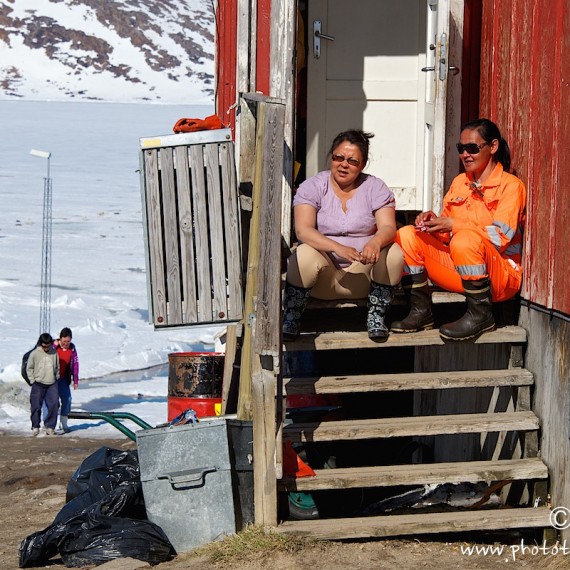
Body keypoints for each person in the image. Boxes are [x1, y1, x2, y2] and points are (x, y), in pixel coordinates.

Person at [392, 118, 526, 341]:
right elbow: (446, 236)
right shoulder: (459, 182)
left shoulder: (511, 186)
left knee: (464, 239)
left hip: (499, 278)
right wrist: (433, 224)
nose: (465, 154)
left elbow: (500, 238)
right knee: (407, 234)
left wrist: (455, 225)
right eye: (461, 148)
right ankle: (420, 312)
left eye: (472, 148)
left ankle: (481, 315)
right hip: (464, 269)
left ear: (492, 147)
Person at [283, 129, 404, 340]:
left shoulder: (375, 187)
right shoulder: (312, 186)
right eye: (338, 157)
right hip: (323, 279)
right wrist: (338, 248)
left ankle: (376, 316)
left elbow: (388, 227)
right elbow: (303, 230)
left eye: (352, 160)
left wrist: (375, 242)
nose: (343, 164)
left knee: (393, 252)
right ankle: (292, 316)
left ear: (363, 164)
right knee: (303, 254)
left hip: (364, 277)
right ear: (331, 156)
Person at [26, 332, 60, 436]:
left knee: (54, 404)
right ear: (41, 344)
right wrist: (33, 381)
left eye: (48, 346)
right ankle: (35, 426)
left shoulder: (54, 353)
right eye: (44, 346)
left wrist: (56, 377)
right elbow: (29, 368)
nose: (46, 349)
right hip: (38, 383)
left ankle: (50, 426)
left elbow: (57, 367)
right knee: (36, 406)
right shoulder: (35, 353)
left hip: (51, 383)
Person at [53, 327, 79, 433]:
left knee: (67, 399)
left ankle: (63, 423)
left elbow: (75, 364)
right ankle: (50, 425)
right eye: (64, 341)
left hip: (63, 378)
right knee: (53, 402)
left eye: (68, 341)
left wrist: (75, 380)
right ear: (60, 339)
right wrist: (55, 345)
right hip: (52, 379)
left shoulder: (72, 349)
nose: (66, 344)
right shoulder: (54, 347)